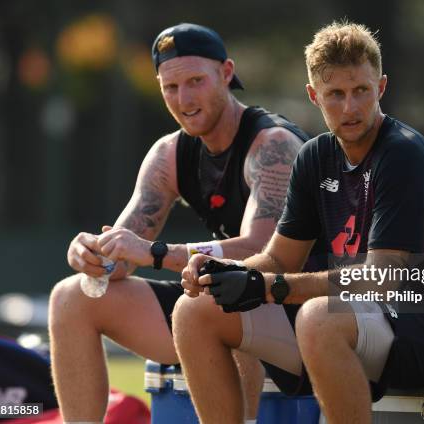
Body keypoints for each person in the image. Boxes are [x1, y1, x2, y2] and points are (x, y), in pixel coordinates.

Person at [174, 21, 424, 424]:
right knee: (195, 308)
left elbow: (382, 279)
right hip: (364, 322)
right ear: (314, 96)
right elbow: (277, 259)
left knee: (319, 316)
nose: (350, 107)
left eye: (361, 90)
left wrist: (269, 287)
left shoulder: (403, 154)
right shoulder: (314, 156)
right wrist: (223, 273)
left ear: (381, 87)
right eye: (335, 94)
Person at [48, 23, 308, 423]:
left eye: (195, 81)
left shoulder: (272, 144)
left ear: (226, 73)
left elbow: (263, 252)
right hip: (215, 306)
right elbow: (122, 258)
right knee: (72, 297)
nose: (183, 99)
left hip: (301, 307)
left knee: (229, 289)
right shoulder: (168, 154)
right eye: (170, 87)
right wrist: (93, 257)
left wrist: (155, 252)